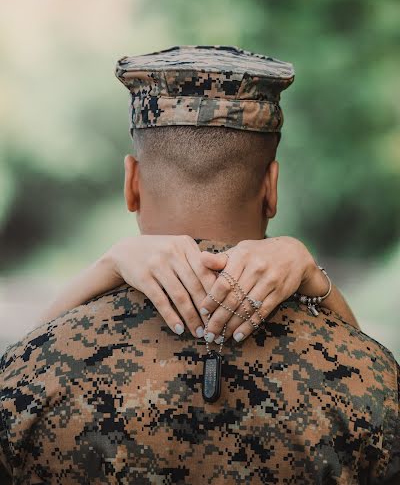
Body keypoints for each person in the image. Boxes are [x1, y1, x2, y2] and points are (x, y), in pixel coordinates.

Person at [0, 45, 398, 484]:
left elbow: (16, 377)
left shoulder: (38, 369)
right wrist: (314, 279)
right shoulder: (366, 374)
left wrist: (107, 265)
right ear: (272, 188)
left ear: (132, 183)